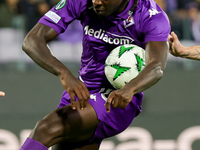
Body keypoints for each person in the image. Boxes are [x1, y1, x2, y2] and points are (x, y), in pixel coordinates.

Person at [19, 0, 170, 149]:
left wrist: (129, 89)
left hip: (118, 99)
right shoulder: (82, 2)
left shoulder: (151, 16)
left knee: (46, 128)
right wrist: (63, 73)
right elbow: (32, 40)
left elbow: (156, 66)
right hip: (82, 90)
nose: (96, 2)